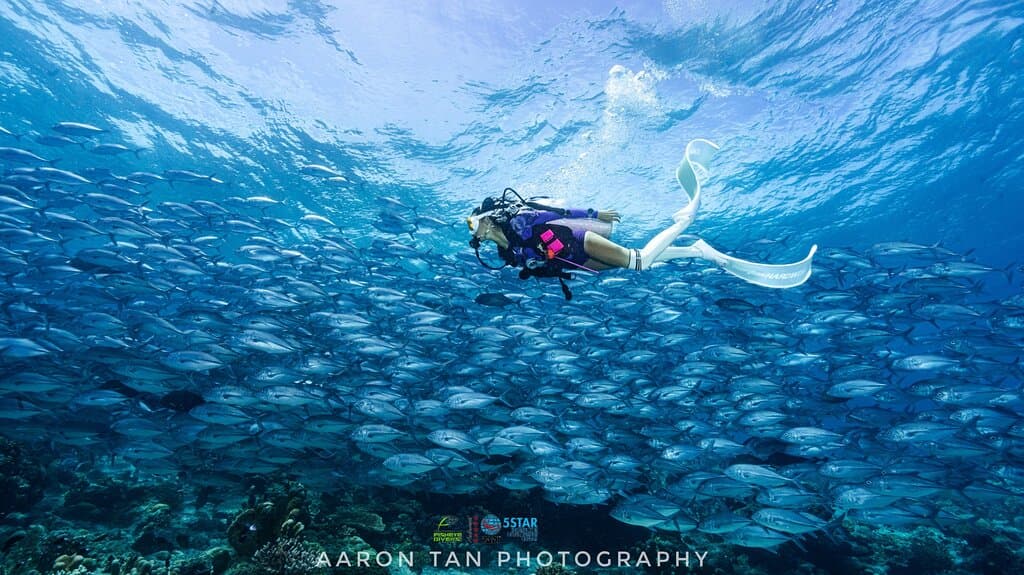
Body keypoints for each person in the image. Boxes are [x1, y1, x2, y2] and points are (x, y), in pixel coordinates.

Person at [467, 139, 817, 299]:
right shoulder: (505, 253)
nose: (473, 232)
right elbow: (537, 267)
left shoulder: (519, 222)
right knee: (637, 261)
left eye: (472, 224)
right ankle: (696, 251)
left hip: (578, 242)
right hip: (577, 263)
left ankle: (684, 222)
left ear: (487, 219)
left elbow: (557, 214)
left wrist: (595, 214)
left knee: (639, 262)